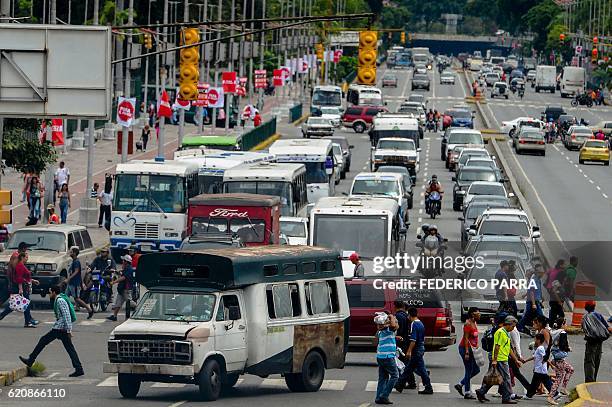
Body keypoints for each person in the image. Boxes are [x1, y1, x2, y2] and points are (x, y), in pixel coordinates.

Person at [19, 285, 84, 377]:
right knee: (69, 349)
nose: (49, 294)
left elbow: (67, 316)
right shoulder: (58, 299)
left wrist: (69, 330)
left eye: (50, 292)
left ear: (54, 292)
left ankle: (30, 360)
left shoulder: (60, 300)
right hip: (61, 328)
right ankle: (79, 369)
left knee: (43, 341)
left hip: (60, 329)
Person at [476, 315, 521, 404]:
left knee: (494, 377)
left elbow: (509, 348)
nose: (513, 328)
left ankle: (481, 391)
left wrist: (515, 359)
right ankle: (506, 398)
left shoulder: (506, 332)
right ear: (508, 324)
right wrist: (495, 360)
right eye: (513, 326)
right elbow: (497, 346)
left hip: (503, 358)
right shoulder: (500, 332)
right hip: (500, 359)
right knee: (506, 378)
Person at [0, 253, 38, 327]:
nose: (27, 259)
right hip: (19, 287)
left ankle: (28, 320)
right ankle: (28, 321)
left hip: (19, 287)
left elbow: (22, 277)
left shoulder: (15, 266)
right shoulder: (18, 266)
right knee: (22, 304)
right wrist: (21, 289)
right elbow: (19, 279)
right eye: (26, 257)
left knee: (18, 304)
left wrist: (32, 280)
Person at [405, 307, 434, 395]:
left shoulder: (414, 324)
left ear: (409, 315)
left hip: (417, 349)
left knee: (410, 368)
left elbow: (413, 339)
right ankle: (399, 384)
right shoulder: (420, 323)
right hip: (420, 347)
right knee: (412, 368)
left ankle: (428, 386)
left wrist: (409, 351)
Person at [454, 307, 481, 399]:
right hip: (465, 349)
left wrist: (476, 345)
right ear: (473, 314)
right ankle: (467, 392)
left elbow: (474, 338)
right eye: (478, 313)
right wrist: (466, 352)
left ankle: (460, 384)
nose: (479, 314)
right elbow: (465, 338)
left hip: (472, 350)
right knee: (469, 370)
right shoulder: (467, 324)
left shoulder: (474, 322)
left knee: (476, 370)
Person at [581, 301, 611, 382]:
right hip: (599, 341)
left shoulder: (584, 317)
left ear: (586, 308)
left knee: (589, 361)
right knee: (597, 360)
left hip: (590, 342)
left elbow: (585, 330)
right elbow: (608, 328)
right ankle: (594, 379)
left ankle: (589, 380)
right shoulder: (598, 315)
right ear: (594, 307)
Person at [522, 333, 556, 405]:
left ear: (539, 340)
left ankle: (555, 393)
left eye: (535, 339)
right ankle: (529, 395)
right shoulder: (539, 348)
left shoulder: (540, 348)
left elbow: (545, 358)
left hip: (540, 369)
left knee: (544, 382)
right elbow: (534, 356)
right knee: (537, 383)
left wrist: (551, 365)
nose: (534, 341)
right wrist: (525, 360)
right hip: (539, 369)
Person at [373, 311, 399, 405]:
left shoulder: (381, 330)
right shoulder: (388, 329)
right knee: (395, 376)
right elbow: (394, 326)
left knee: (383, 378)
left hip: (380, 356)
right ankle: (384, 396)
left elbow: (376, 341)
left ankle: (378, 397)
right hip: (388, 356)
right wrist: (391, 316)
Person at [65, 247, 94, 320]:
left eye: (71, 252)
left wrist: (69, 278)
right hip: (71, 283)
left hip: (74, 283)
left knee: (77, 298)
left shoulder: (76, 262)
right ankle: (65, 312)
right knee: (65, 296)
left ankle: (89, 309)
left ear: (74, 253)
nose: (70, 253)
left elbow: (77, 271)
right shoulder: (73, 261)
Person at [394, 301, 416, 393]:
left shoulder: (398, 316)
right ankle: (411, 382)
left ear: (396, 307)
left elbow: (398, 330)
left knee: (400, 363)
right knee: (406, 363)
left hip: (400, 342)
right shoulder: (405, 316)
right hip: (406, 341)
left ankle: (401, 382)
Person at [549, 317, 573, 400]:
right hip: (559, 358)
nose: (566, 325)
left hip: (554, 356)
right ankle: (551, 396)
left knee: (570, 369)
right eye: (565, 323)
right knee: (559, 377)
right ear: (562, 324)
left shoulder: (553, 332)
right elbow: (563, 346)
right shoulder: (562, 333)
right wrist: (568, 348)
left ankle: (563, 388)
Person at [518, 265, 545, 333]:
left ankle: (522, 327)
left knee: (528, 316)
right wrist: (533, 304)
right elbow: (532, 292)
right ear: (537, 272)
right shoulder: (534, 279)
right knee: (539, 316)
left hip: (536, 301)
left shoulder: (538, 279)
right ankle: (519, 327)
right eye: (541, 273)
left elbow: (533, 290)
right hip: (532, 302)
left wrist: (541, 297)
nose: (542, 274)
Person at [107, 254, 134, 322]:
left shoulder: (129, 269)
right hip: (121, 289)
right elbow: (121, 274)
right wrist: (116, 271)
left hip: (126, 289)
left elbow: (123, 277)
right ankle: (114, 316)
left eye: (123, 260)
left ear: (126, 261)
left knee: (130, 303)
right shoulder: (125, 268)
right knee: (118, 303)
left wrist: (114, 282)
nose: (122, 261)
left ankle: (140, 308)